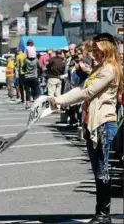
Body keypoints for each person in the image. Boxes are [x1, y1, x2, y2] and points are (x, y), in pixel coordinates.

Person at [51, 33, 123, 224]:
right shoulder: (99, 68)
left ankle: (103, 214)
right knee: (98, 169)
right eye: (94, 51)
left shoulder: (110, 69)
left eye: (98, 51)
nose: (94, 54)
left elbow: (88, 92)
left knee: (102, 170)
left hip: (104, 124)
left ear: (107, 50)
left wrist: (59, 100)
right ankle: (101, 213)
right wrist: (59, 101)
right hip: (93, 123)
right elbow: (81, 88)